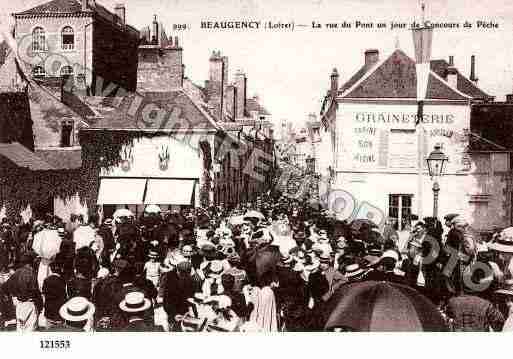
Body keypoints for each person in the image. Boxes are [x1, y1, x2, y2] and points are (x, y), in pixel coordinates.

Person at [5, 253, 43, 332]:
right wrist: (40, 306)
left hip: (19, 306)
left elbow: (5, 287)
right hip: (29, 304)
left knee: (20, 331)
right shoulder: (31, 273)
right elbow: (35, 292)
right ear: (31, 262)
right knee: (31, 332)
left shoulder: (16, 273)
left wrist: (13, 297)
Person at [42, 254, 67, 329]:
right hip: (59, 313)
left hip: (49, 312)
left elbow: (44, 294)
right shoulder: (63, 281)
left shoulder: (46, 280)